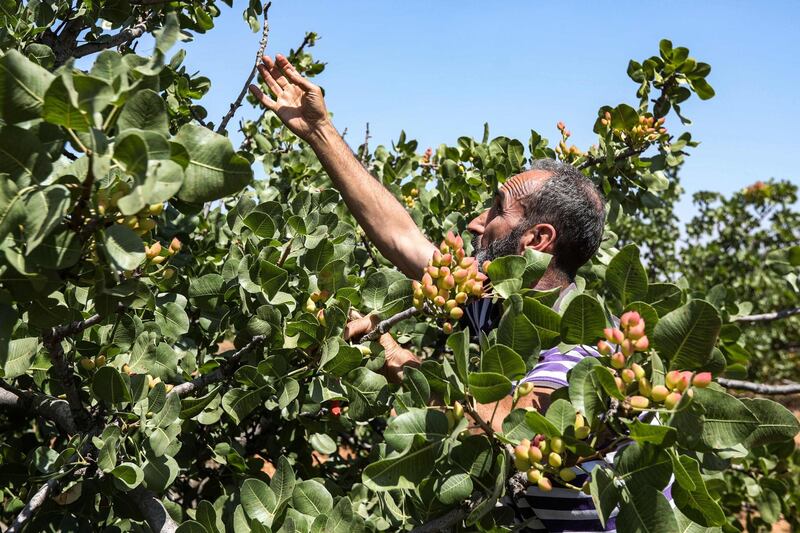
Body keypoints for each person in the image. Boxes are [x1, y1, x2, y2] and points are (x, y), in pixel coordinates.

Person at [250, 54, 619, 532]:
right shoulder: (492, 298)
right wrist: (320, 130)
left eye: (496, 209)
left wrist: (394, 354)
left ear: (536, 239)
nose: (475, 223)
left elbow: (505, 432)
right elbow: (400, 235)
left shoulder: (586, 351)